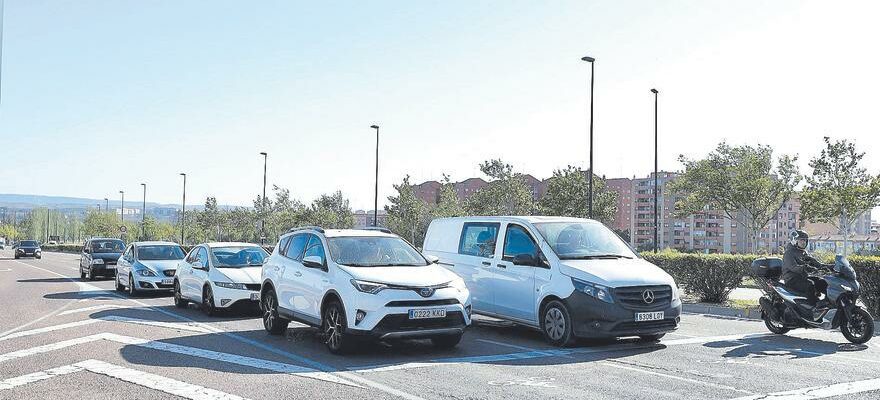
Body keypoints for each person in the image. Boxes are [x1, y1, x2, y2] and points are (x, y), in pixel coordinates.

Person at [781, 230, 830, 307]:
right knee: (810, 285)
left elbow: (816, 264)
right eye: (801, 240)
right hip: (792, 280)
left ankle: (828, 303)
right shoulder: (789, 253)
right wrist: (806, 268)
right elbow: (793, 267)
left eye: (805, 240)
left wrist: (831, 266)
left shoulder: (803, 252)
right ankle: (813, 307)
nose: (804, 242)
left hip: (803, 277)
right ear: (795, 240)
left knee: (823, 282)